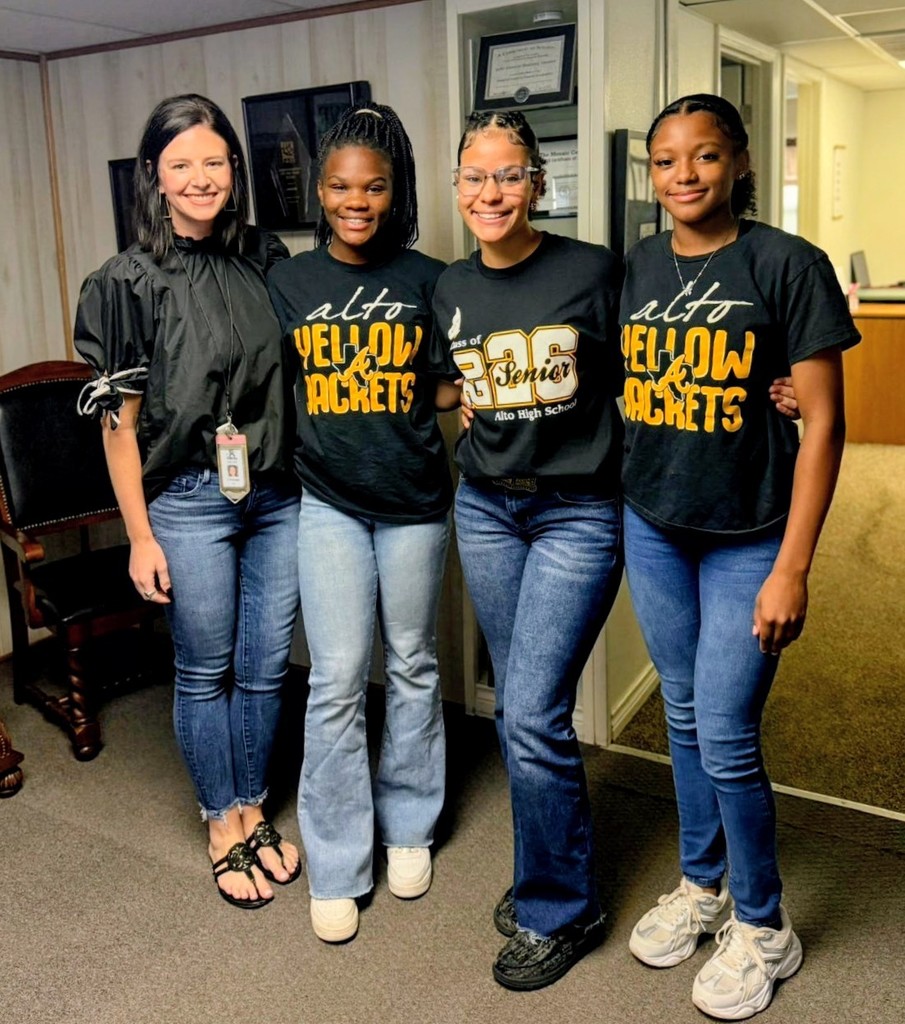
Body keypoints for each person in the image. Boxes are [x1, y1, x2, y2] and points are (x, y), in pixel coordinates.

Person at [619, 94, 858, 1020]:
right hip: (653, 525)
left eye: (704, 156)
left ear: (740, 163)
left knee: (723, 732)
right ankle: (700, 885)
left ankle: (764, 925)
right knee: (681, 717)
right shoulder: (637, 264)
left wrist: (792, 565)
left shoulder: (787, 263)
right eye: (666, 160)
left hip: (748, 537)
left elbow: (829, 422)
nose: (684, 174)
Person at [75, 94, 302, 910]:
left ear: (234, 171)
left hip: (275, 494)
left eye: (214, 161)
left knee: (266, 667)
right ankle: (220, 821)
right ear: (155, 179)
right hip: (189, 502)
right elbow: (118, 429)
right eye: (180, 166)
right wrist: (138, 536)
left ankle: (253, 807)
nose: (199, 178)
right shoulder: (125, 282)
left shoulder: (267, 260)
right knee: (206, 670)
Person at [428, 109, 626, 991]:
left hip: (576, 514)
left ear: (537, 183)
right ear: (457, 184)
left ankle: (559, 905)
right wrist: (459, 405)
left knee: (533, 713)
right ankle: (555, 871)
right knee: (521, 711)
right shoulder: (450, 287)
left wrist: (774, 385)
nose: (489, 191)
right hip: (485, 509)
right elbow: (451, 376)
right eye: (474, 176)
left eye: (507, 175)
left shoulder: (590, 270)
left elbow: (652, 365)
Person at [266, 103, 461, 943]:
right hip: (329, 504)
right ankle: (339, 861)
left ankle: (409, 824)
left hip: (415, 500)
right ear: (320, 191)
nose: (357, 200)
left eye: (374, 187)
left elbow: (455, 383)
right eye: (342, 186)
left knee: (414, 662)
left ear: (395, 192)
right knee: (338, 679)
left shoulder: (430, 279)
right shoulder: (291, 284)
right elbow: (267, 387)